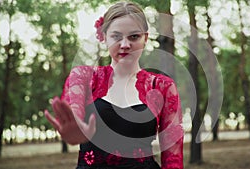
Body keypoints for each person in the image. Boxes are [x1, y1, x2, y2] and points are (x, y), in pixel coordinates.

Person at [45, 1, 183, 169]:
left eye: (134, 36)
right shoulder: (84, 77)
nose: (125, 45)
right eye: (116, 36)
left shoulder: (162, 86)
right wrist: (78, 129)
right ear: (104, 37)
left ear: (145, 38)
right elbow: (74, 112)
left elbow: (173, 158)